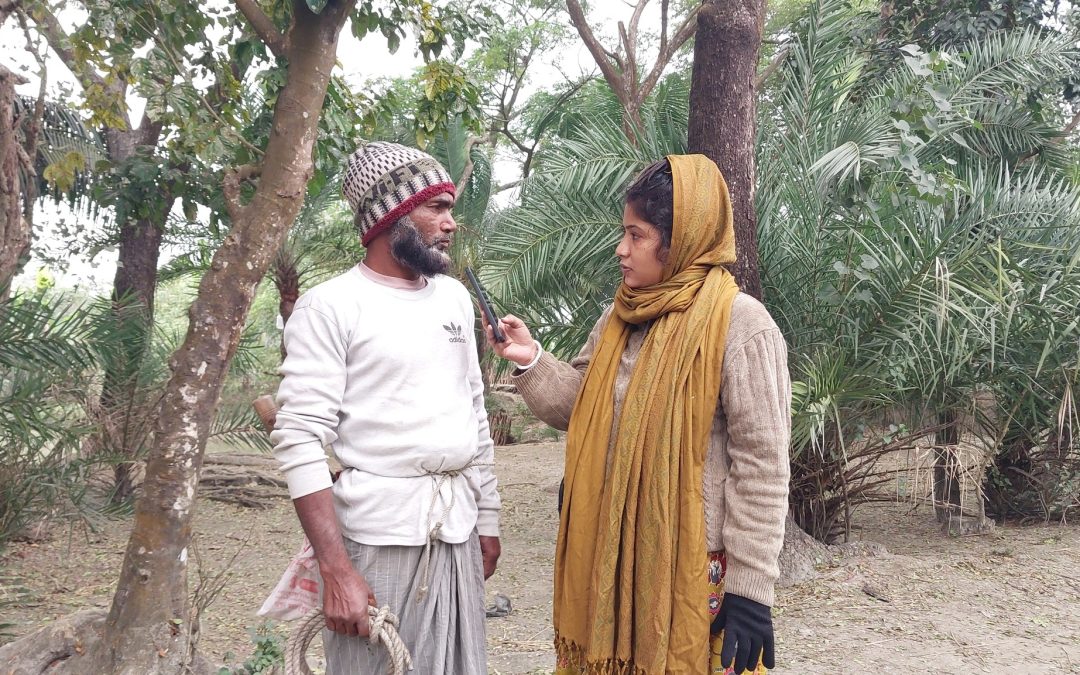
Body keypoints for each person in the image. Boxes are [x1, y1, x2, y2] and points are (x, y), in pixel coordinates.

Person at [486, 155, 791, 674]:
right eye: (623, 233)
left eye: (638, 235)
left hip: (693, 569)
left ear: (684, 239)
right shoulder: (619, 315)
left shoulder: (741, 326)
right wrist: (531, 359)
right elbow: (579, 403)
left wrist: (751, 589)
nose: (621, 249)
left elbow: (761, 466)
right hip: (609, 551)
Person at [271, 141, 501, 674]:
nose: (451, 224)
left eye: (451, 208)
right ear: (391, 216)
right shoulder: (329, 307)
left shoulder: (453, 299)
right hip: (377, 541)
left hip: (457, 533)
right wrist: (336, 571)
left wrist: (485, 517)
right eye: (437, 208)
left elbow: (475, 414)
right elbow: (300, 437)